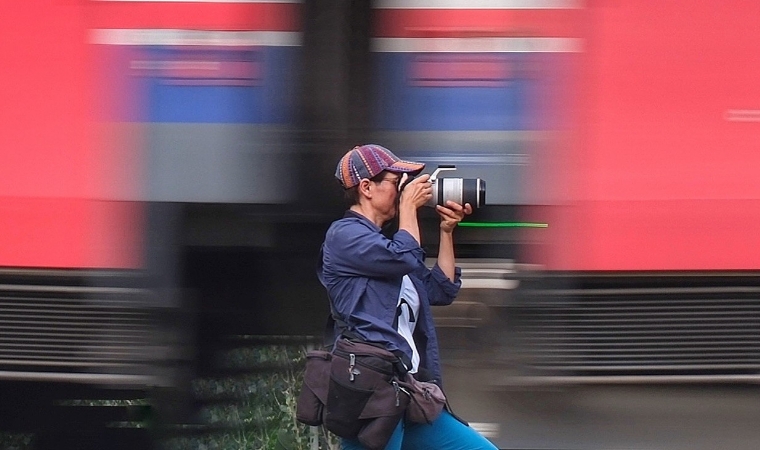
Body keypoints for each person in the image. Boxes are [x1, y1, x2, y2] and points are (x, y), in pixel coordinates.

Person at [317, 144, 498, 450]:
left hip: (406, 392)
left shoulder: (386, 247)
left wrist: (446, 231)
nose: (403, 190)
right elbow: (404, 257)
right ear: (366, 188)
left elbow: (440, 289)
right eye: (395, 182)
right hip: (369, 394)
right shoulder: (344, 236)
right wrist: (410, 209)